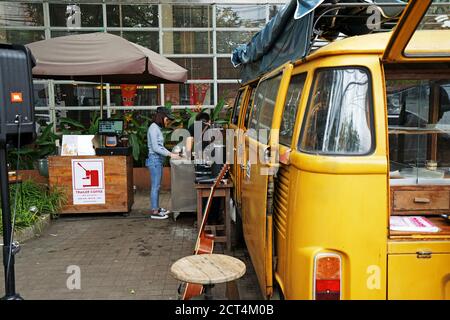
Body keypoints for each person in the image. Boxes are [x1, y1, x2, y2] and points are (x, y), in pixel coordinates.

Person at [147, 108, 180, 219]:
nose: (168, 121)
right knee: (155, 186)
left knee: (157, 186)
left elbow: (160, 146)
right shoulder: (153, 128)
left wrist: (170, 153)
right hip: (154, 160)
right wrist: (170, 154)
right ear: (161, 116)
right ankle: (155, 212)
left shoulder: (156, 128)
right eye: (167, 119)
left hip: (157, 160)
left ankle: (156, 207)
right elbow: (156, 147)